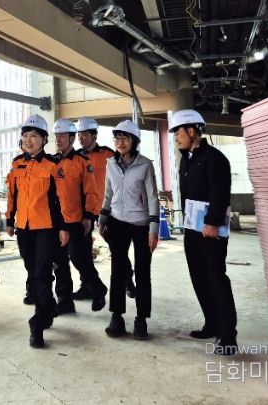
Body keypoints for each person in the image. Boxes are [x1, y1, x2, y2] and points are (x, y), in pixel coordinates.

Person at [171, 109, 238, 355]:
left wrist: (212, 222)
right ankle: (212, 324)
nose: (176, 137)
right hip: (192, 229)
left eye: (178, 132)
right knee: (198, 277)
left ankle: (228, 335)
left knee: (216, 278)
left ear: (192, 131)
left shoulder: (214, 159)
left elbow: (219, 194)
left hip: (211, 230)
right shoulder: (186, 160)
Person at [6, 114, 70, 348]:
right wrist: (9, 219)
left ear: (44, 139)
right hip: (23, 228)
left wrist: (64, 227)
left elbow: (62, 199)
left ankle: (38, 324)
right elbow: (12, 194)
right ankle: (49, 307)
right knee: (33, 273)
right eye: (25, 136)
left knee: (41, 275)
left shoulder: (53, 166)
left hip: (46, 228)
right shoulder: (17, 164)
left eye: (34, 136)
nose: (28, 140)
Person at [99, 120, 159, 340]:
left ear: (134, 141)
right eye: (117, 138)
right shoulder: (110, 164)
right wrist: (102, 217)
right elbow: (108, 193)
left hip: (141, 224)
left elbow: (152, 197)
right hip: (117, 222)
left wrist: (154, 229)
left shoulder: (145, 165)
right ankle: (116, 317)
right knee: (118, 271)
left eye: (125, 138)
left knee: (143, 273)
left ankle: (141, 319)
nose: (120, 142)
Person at [73, 117, 136, 300]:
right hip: (84, 211)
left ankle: (128, 281)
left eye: (85, 134)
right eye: (79, 134)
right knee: (82, 251)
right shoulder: (76, 157)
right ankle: (87, 286)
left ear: (94, 135)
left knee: (117, 248)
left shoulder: (108, 155)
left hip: (107, 210)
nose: (81, 138)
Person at [51, 118, 108, 314]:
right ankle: (64, 300)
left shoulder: (82, 162)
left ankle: (97, 288)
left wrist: (89, 216)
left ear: (71, 138)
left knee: (79, 257)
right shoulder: (53, 162)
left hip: (77, 219)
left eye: (62, 136)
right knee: (59, 261)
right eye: (56, 136)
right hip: (58, 220)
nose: (58, 140)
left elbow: (91, 191)